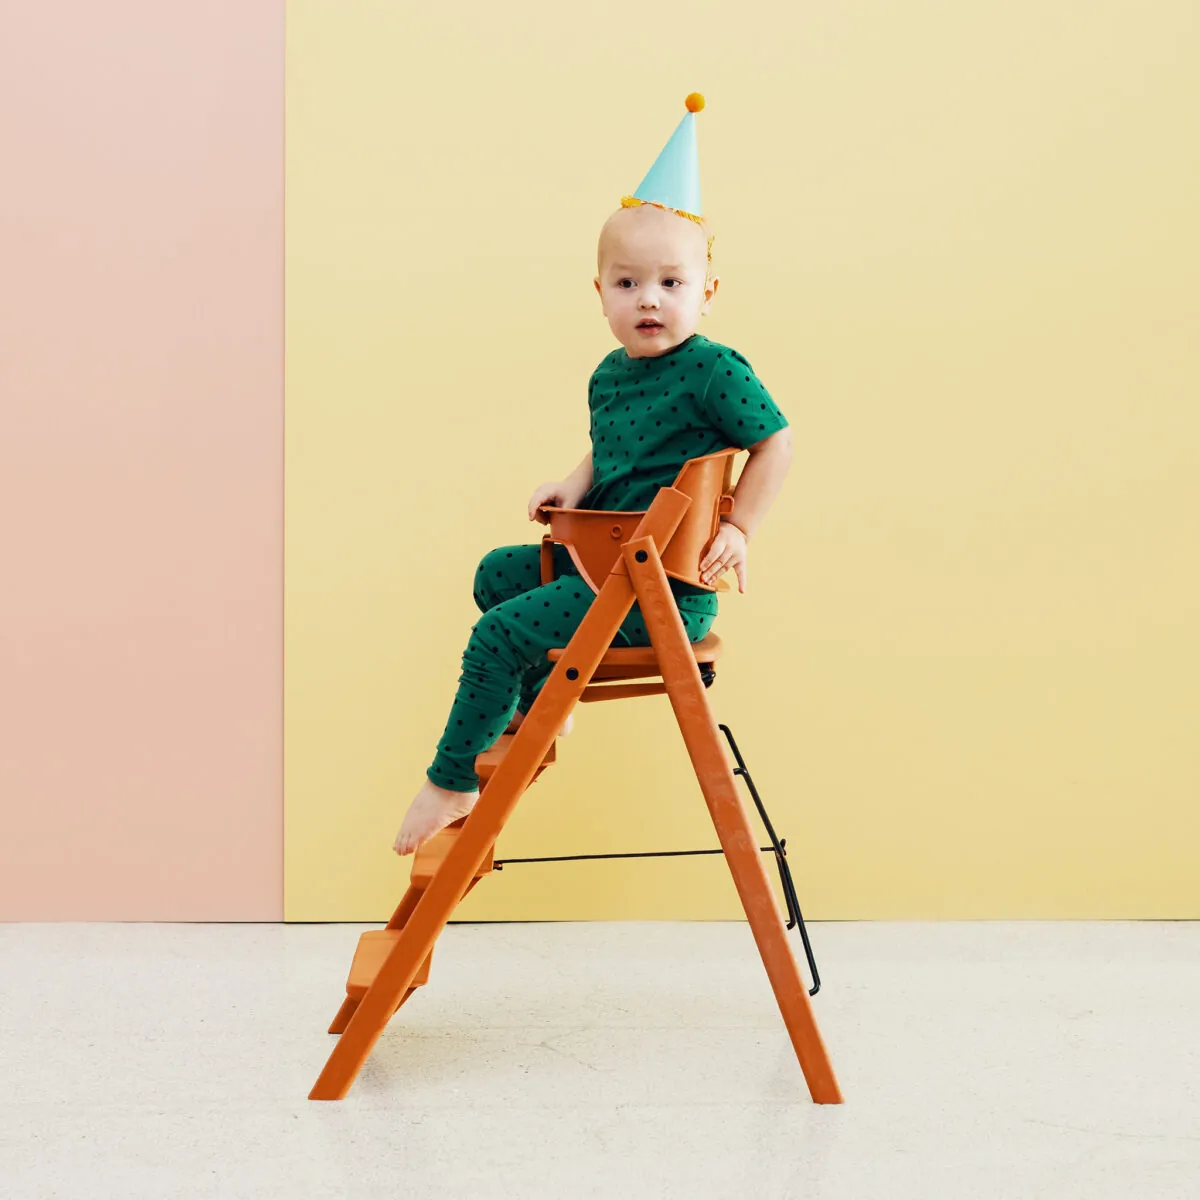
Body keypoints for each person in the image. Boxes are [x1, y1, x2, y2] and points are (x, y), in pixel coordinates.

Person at [393, 95, 794, 856]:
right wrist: (576, 482)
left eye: (672, 283)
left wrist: (740, 526)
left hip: (657, 592)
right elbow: (616, 451)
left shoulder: (714, 371)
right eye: (628, 283)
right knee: (494, 574)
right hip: (600, 561)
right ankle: (540, 702)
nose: (650, 299)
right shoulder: (610, 374)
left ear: (707, 293)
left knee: (497, 634)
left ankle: (451, 780)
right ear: (601, 293)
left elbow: (776, 441)